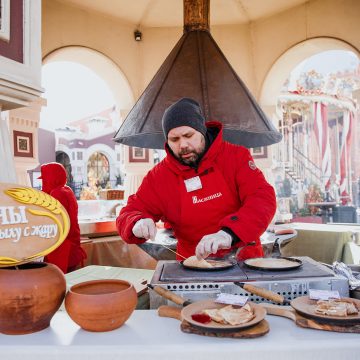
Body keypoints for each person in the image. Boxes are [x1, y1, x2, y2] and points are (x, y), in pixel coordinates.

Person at [117, 98, 276, 261]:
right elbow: (129, 212)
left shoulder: (236, 157)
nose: (183, 144)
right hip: (193, 266)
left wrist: (229, 234)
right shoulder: (159, 176)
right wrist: (136, 222)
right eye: (174, 139)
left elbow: (262, 199)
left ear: (202, 131)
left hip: (243, 261)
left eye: (188, 135)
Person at [39, 162, 86, 273]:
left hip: (63, 251)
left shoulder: (57, 193)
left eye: (44, 179)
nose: (43, 183)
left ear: (51, 178)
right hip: (70, 247)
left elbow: (52, 221)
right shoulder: (66, 190)